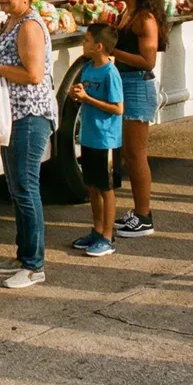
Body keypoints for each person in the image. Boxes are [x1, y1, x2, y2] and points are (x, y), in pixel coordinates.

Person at [0, 0, 59, 288]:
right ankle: (23, 255)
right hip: (14, 115)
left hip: (30, 115)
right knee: (16, 187)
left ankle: (35, 265)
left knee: (25, 189)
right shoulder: (12, 23)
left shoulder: (30, 27)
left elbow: (34, 75)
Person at [110, 0, 166, 238]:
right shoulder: (125, 13)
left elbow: (148, 60)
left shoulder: (145, 19)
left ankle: (144, 215)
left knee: (136, 154)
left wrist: (113, 51)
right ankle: (138, 211)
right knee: (128, 154)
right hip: (123, 83)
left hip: (137, 86)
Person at [67, 23, 125, 256]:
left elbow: (118, 108)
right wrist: (76, 94)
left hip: (106, 140)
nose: (84, 44)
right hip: (89, 136)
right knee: (91, 185)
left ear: (99, 46)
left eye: (87, 40)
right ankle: (97, 229)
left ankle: (108, 236)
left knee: (105, 188)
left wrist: (88, 99)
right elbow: (84, 95)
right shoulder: (88, 68)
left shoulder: (110, 73)